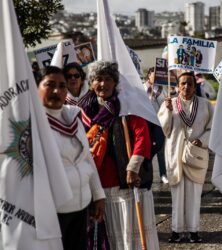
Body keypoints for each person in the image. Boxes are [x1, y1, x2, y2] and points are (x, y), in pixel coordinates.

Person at [80, 60, 159, 250]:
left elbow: (143, 138)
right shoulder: (83, 110)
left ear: (115, 82)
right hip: (97, 184)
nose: (103, 84)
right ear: (91, 82)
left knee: (127, 236)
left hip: (124, 182)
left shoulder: (126, 106)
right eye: (98, 79)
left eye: (108, 79)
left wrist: (132, 168)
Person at [36, 66, 106, 250]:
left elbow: (86, 159)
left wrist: (98, 194)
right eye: (50, 85)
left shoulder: (73, 117)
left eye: (62, 85)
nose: (57, 91)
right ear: (37, 88)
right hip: (51, 211)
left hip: (81, 204)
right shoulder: (32, 125)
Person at [158, 70, 213, 243]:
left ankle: (194, 231)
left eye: (190, 83)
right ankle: (176, 230)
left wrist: (202, 140)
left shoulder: (205, 105)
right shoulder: (170, 104)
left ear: (195, 86)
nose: (186, 87)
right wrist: (167, 112)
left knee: (194, 193)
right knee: (177, 193)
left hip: (195, 155)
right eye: (183, 83)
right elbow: (164, 130)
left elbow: (213, 128)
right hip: (175, 153)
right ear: (177, 86)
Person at [144, 67, 169, 184]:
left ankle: (163, 174)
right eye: (152, 74)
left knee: (160, 149)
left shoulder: (162, 89)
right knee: (147, 149)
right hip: (146, 122)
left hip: (159, 122)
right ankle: (146, 173)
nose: (154, 76)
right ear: (148, 75)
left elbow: (164, 103)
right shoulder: (142, 88)